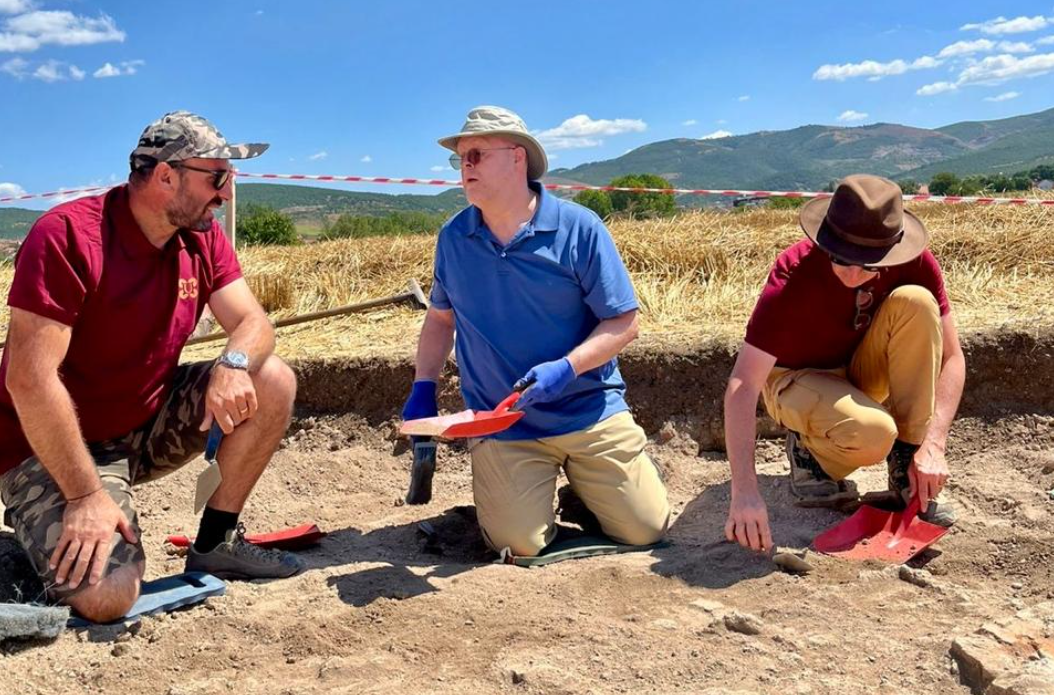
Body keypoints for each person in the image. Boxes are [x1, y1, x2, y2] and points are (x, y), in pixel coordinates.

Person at [0, 111, 303, 622]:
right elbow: (29, 380)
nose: (226, 194)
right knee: (110, 594)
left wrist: (233, 360)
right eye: (217, 177)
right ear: (167, 176)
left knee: (270, 377)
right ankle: (18, 553)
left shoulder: (200, 236)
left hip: (140, 425)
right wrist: (86, 496)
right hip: (44, 447)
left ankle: (216, 543)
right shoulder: (68, 237)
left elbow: (254, 322)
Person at [401, 105, 669, 556]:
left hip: (589, 410)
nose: (465, 168)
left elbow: (624, 323)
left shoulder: (579, 228)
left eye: (477, 155)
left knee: (647, 530)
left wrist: (567, 368)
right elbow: (441, 319)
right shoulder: (453, 238)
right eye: (460, 159)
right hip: (504, 424)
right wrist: (423, 385)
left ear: (518, 157)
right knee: (518, 544)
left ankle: (588, 494)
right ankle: (520, 504)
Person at [723, 174, 965, 553]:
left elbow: (953, 357)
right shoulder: (792, 273)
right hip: (796, 378)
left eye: (869, 265)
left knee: (917, 303)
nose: (853, 275)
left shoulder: (917, 265)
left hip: (857, 369)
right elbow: (743, 383)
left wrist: (932, 444)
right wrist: (745, 493)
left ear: (894, 249)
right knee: (873, 433)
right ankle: (809, 456)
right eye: (840, 259)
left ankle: (907, 468)